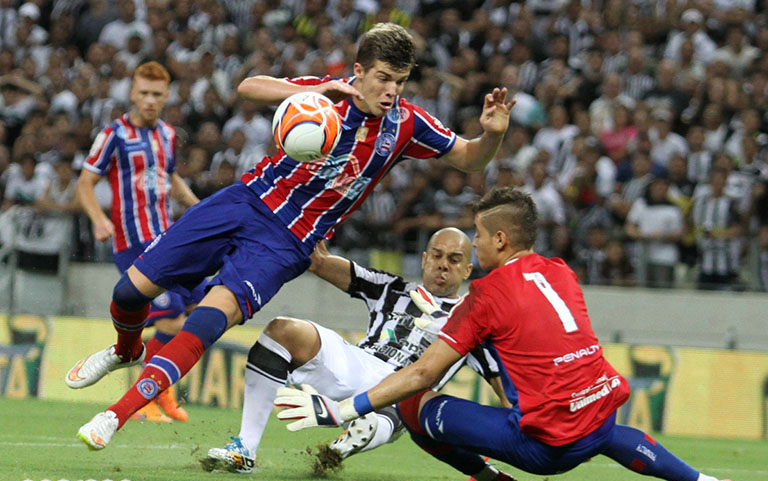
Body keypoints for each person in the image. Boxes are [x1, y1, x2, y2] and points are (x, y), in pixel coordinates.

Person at [67, 23, 516, 450]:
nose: (391, 90)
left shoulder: (405, 124)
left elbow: (470, 158)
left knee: (206, 320)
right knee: (129, 293)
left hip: (287, 242)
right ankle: (127, 350)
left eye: (399, 81)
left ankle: (115, 415)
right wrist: (312, 90)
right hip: (244, 200)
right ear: (358, 72)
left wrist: (492, 136)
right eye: (382, 78)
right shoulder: (325, 97)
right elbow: (249, 87)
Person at [274, 187, 744, 481]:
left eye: (476, 237)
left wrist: (339, 411)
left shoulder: (485, 295)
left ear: (500, 238)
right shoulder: (561, 271)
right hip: (602, 415)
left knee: (416, 402)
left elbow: (421, 374)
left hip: (547, 449)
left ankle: (487, 476)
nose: (474, 247)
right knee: (599, 432)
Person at [205, 229, 511, 481]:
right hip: (357, 362)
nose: (443, 265)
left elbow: (504, 390)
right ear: (424, 259)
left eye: (454, 259)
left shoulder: (472, 319)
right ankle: (245, 447)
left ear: (468, 270)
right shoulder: (392, 288)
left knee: (401, 406)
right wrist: (311, 223)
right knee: (281, 330)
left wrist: (515, 434)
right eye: (437, 255)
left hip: (403, 387)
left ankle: (364, 428)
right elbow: (319, 262)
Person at [72, 61, 202, 423]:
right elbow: (85, 182)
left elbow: (171, 178)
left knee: (197, 309)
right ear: (131, 92)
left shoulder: (168, 135)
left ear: (167, 96)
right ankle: (148, 397)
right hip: (133, 244)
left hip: (169, 240)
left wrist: (202, 210)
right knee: (173, 322)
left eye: (157, 94)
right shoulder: (113, 134)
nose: (149, 100)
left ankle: (151, 385)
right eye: (143, 93)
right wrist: (99, 220)